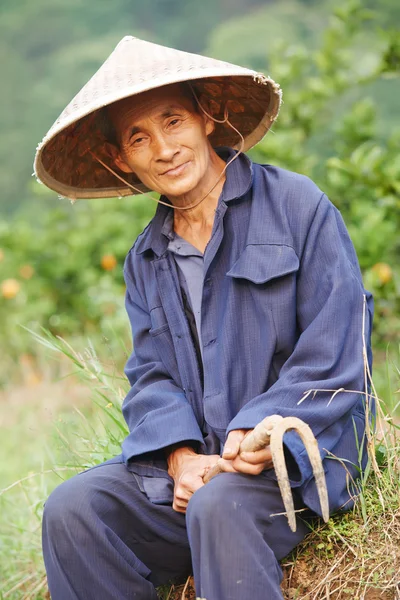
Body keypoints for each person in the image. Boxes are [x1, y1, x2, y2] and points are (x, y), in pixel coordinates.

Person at [35, 36, 373, 600]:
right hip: (202, 477)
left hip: (292, 468)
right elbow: (151, 374)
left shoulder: (296, 206)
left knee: (219, 505)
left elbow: (338, 346)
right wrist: (182, 457)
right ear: (123, 160)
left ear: (207, 117)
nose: (164, 148)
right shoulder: (146, 257)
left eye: (173, 121)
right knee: (73, 510)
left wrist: (257, 429)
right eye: (139, 138)